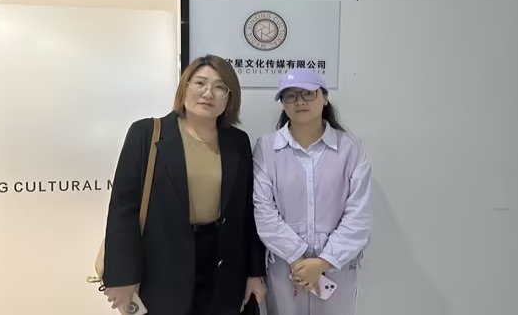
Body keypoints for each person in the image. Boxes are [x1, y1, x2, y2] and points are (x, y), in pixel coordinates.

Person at [102, 54, 267, 315]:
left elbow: (247, 213)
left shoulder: (237, 142)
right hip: (161, 266)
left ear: (230, 97)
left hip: (223, 267)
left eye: (220, 87)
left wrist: (254, 272)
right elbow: (123, 208)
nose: (208, 93)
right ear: (185, 87)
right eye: (200, 83)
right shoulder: (147, 133)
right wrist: (121, 276)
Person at [252, 68, 372, 315]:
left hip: (336, 267)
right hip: (287, 267)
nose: (300, 101)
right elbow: (264, 211)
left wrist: (323, 262)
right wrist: (298, 260)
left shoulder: (351, 148)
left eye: (308, 93)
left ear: (324, 98)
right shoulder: (266, 147)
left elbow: (358, 215)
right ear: (283, 103)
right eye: (291, 95)